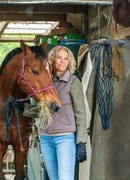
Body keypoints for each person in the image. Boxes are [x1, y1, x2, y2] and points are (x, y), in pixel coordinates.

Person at [39, 46, 87, 180]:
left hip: (64, 138)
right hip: (45, 138)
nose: (62, 61)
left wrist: (81, 141)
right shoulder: (44, 82)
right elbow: (37, 110)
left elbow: (81, 114)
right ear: (53, 59)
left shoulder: (73, 82)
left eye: (66, 58)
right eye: (59, 57)